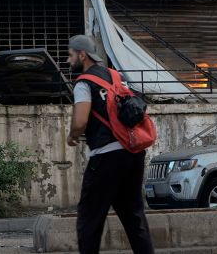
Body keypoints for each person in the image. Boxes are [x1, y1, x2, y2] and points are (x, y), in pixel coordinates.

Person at [66, 35, 154, 254]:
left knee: (89, 218)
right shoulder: (116, 76)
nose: (68, 61)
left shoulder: (84, 82)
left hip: (106, 156)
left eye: (70, 55)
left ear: (82, 54)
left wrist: (72, 135)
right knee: (134, 216)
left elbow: (80, 121)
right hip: (133, 154)